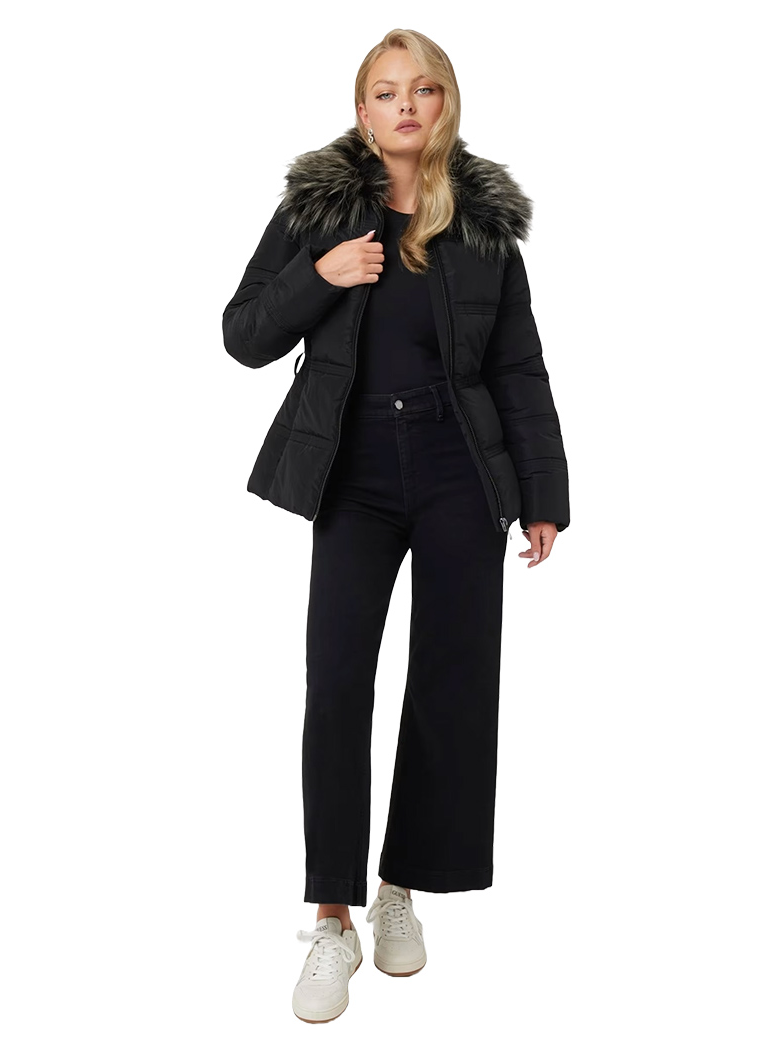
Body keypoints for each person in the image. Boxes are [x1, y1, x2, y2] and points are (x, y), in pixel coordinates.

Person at [222, 29, 570, 1023]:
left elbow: (517, 365)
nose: (405, 106)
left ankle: (398, 889)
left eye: (423, 89)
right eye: (386, 92)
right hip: (357, 472)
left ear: (444, 102)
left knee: (451, 682)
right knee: (337, 683)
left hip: (462, 469)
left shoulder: (483, 220)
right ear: (363, 109)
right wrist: (320, 274)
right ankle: (332, 918)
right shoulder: (319, 208)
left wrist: (543, 491)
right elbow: (243, 335)